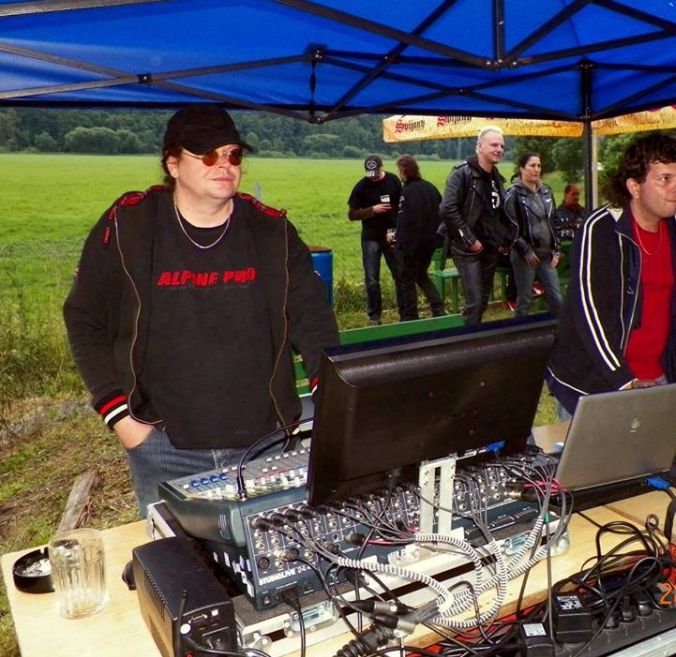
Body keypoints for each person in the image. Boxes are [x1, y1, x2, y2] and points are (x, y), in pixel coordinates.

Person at [63, 104, 340, 517]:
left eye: (233, 155)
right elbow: (85, 320)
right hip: (163, 445)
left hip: (263, 441)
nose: (224, 164)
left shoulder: (271, 231)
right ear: (172, 164)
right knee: (178, 556)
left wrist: (334, 399)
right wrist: (122, 418)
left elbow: (313, 321)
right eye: (208, 155)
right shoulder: (130, 225)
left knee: (267, 550)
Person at [546, 133, 676, 417]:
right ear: (634, 186)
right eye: (665, 179)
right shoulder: (601, 229)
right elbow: (590, 313)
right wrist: (624, 381)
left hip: (659, 378)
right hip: (596, 384)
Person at [439, 126, 516, 325]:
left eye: (502, 146)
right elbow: (447, 209)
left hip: (490, 249)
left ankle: (474, 334)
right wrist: (470, 240)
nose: (499, 149)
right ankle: (467, 340)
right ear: (479, 147)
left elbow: (498, 213)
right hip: (467, 249)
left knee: (482, 300)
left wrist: (503, 239)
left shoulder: (496, 178)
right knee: (474, 302)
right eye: (494, 145)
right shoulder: (461, 173)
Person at [503, 152, 563, 317]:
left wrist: (556, 249)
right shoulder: (512, 194)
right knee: (525, 298)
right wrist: (525, 249)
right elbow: (509, 227)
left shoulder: (546, 191)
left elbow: (554, 222)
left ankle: (557, 329)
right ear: (522, 168)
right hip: (525, 255)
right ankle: (519, 328)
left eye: (539, 166)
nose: (536, 169)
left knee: (556, 298)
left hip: (546, 253)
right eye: (532, 165)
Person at [348, 154, 404, 325]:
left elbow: (402, 206)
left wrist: (398, 230)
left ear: (382, 167)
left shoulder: (393, 181)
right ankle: (374, 316)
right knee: (372, 279)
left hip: (392, 235)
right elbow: (352, 214)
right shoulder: (361, 186)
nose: (372, 177)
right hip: (371, 237)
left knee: (400, 275)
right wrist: (372, 210)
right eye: (370, 174)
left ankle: (405, 312)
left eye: (376, 173)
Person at [394, 154, 447, 321]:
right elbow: (442, 213)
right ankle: (438, 308)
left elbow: (405, 221)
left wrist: (399, 242)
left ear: (404, 171)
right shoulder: (430, 188)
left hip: (412, 245)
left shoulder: (407, 192)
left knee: (406, 279)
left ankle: (410, 316)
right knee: (421, 275)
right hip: (430, 243)